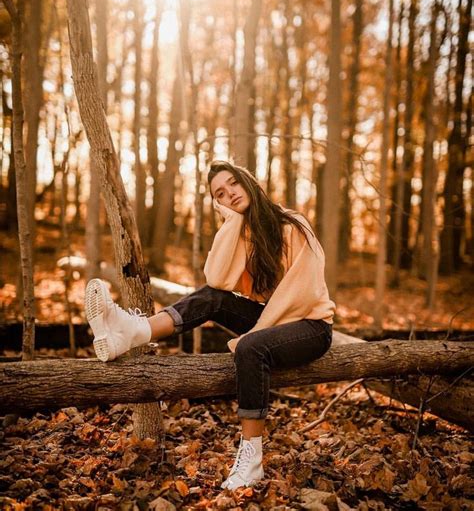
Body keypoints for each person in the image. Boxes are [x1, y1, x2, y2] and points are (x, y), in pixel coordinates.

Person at [85, 160, 335, 491]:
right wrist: (232, 221)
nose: (230, 193)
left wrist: (257, 332)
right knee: (212, 298)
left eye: (233, 184)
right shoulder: (243, 231)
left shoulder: (291, 224)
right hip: (275, 319)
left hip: (311, 326)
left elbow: (300, 293)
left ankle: (252, 459)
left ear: (248, 182)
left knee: (252, 347)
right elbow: (216, 280)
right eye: (220, 193)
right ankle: (134, 332)